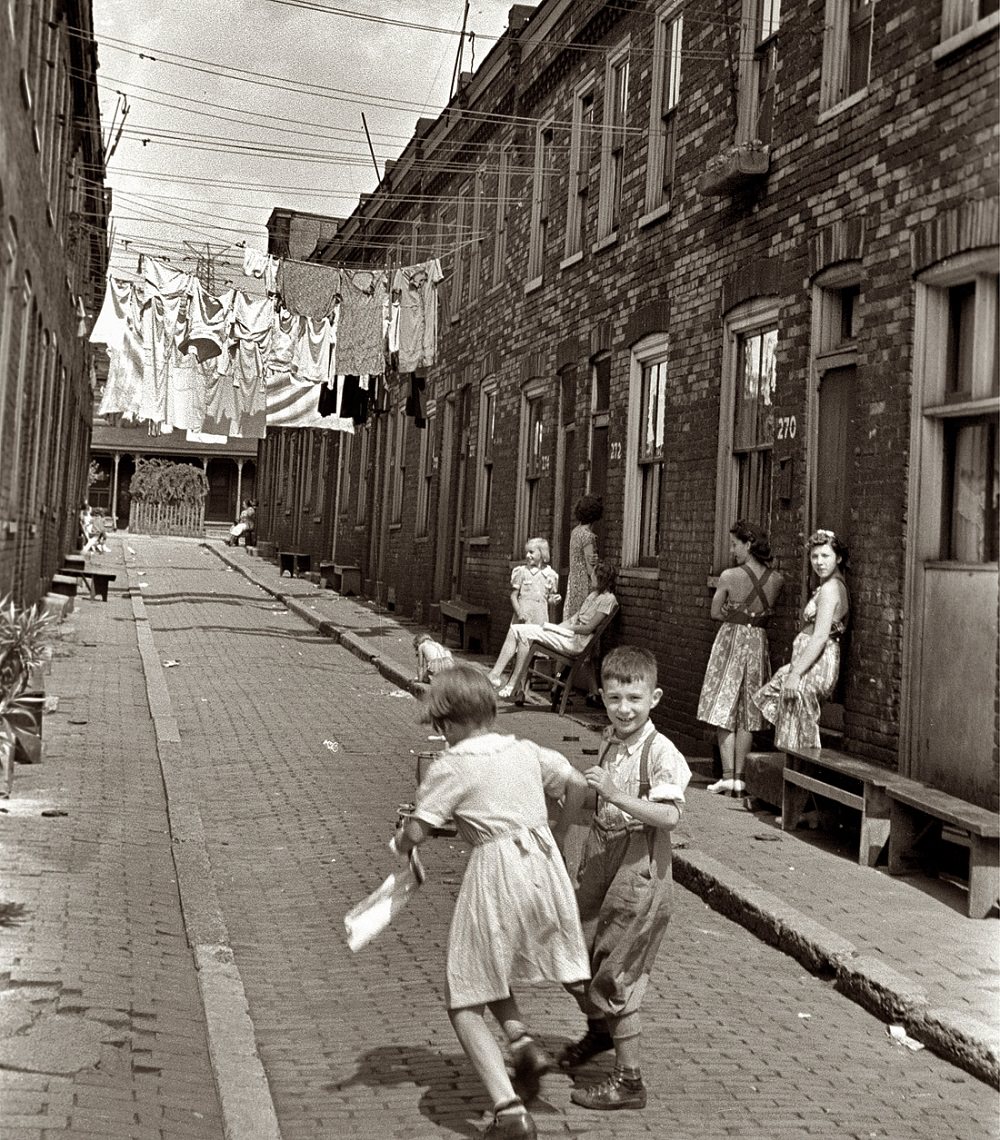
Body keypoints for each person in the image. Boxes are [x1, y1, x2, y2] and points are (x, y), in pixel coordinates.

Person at [393, 666, 591, 1139]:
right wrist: (557, 833)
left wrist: (402, 839)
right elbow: (578, 784)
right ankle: (522, 1042)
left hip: (497, 872)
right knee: (489, 965)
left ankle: (508, 1112)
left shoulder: (452, 764)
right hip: (544, 865)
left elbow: (418, 831)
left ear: (447, 723)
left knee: (463, 995)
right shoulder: (523, 749)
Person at [553, 646, 691, 1111]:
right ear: (603, 697)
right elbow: (598, 802)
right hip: (602, 861)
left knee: (618, 972)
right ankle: (599, 1033)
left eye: (633, 698)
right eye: (614, 698)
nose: (624, 709)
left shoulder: (660, 752)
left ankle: (629, 1081)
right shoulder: (612, 740)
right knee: (579, 954)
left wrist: (615, 793)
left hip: (639, 870)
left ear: (654, 697)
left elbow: (669, 817)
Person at [696, 521, 784, 796]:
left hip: (731, 642)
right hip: (758, 643)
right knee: (748, 711)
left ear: (748, 545)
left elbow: (714, 612)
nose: (732, 550)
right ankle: (741, 778)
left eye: (735, 544)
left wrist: (735, 617)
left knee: (724, 706)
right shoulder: (777, 580)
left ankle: (727, 776)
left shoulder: (729, 576)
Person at [752, 529, 850, 752]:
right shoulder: (830, 585)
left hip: (816, 663)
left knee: (798, 725)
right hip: (810, 662)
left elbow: (820, 636)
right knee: (790, 717)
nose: (819, 562)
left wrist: (795, 674)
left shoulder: (831, 588)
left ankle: (800, 774)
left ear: (839, 558)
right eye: (814, 557)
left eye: (825, 556)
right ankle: (793, 771)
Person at [497, 560, 618, 704]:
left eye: (593, 576)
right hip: (568, 634)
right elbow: (574, 618)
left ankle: (513, 684)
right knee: (518, 629)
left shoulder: (608, 600)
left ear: (602, 578)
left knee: (523, 632)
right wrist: (555, 628)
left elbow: (588, 628)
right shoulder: (593, 596)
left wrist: (565, 629)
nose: (591, 577)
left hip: (577, 641)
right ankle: (511, 682)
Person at [486, 538, 560, 689]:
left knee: (528, 654)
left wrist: (554, 599)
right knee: (514, 645)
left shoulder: (550, 575)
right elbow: (514, 595)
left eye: (531, 552)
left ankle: (520, 690)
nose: (528, 555)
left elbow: (550, 598)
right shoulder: (521, 572)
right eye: (527, 552)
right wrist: (519, 612)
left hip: (539, 617)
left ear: (542, 553)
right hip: (523, 616)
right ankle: (499, 676)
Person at [563, 495, 602, 623]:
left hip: (573, 581)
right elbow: (590, 569)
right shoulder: (587, 536)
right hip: (584, 584)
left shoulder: (575, 532)